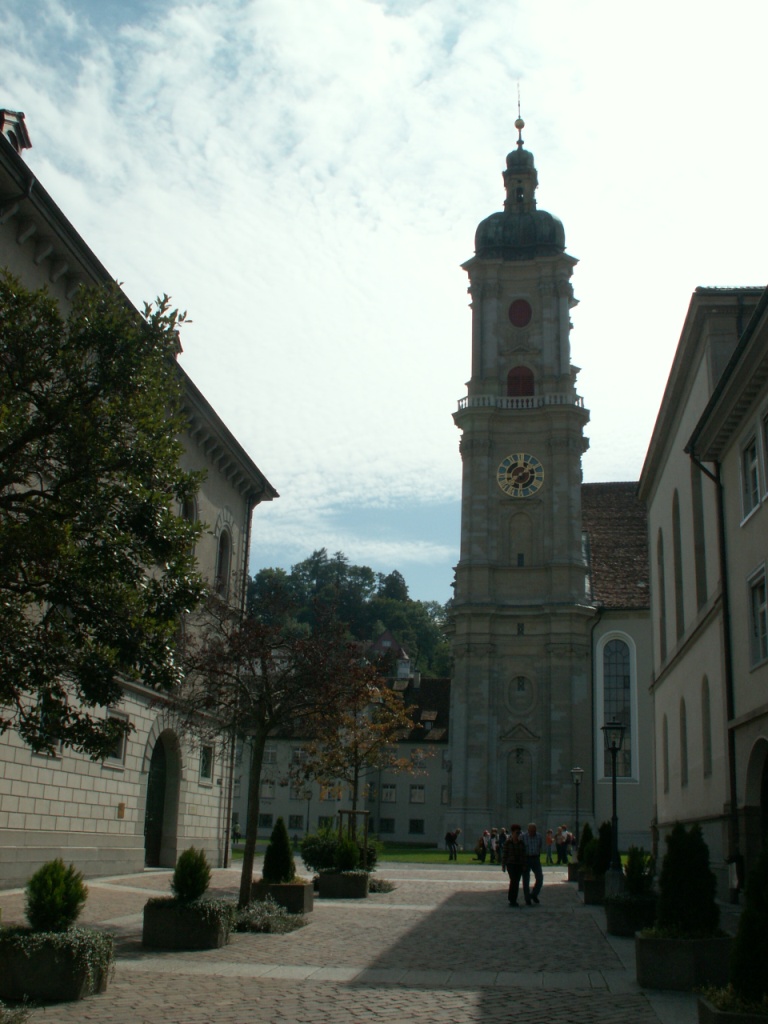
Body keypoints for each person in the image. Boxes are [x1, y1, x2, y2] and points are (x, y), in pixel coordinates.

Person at [502, 824, 526, 906]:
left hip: (519, 864)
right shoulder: (508, 843)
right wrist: (503, 865)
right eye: (516, 833)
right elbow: (505, 854)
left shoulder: (521, 843)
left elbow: (523, 855)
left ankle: (513, 899)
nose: (518, 834)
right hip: (511, 864)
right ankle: (512, 899)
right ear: (512, 833)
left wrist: (523, 865)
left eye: (519, 833)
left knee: (516, 881)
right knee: (514, 880)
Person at [521, 822, 544, 905]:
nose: (532, 833)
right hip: (526, 859)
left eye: (533, 831)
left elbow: (540, 846)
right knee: (526, 879)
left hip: (535, 858)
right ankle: (527, 898)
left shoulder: (539, 836)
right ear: (528, 830)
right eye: (531, 831)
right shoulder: (523, 837)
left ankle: (534, 894)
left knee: (540, 878)